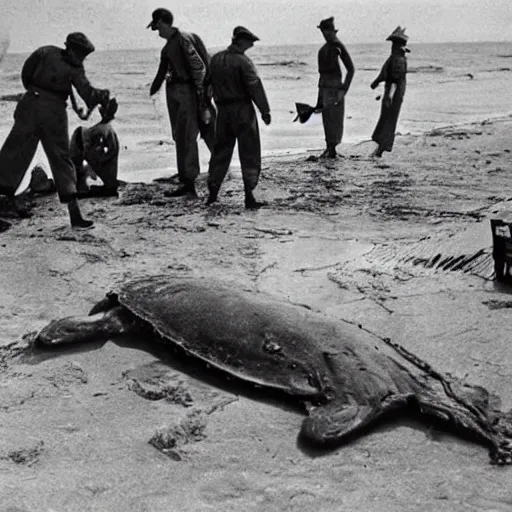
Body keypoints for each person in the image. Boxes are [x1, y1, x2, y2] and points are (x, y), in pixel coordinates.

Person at [0, 33, 111, 227]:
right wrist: (100, 97)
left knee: (16, 154)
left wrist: (37, 93)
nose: (81, 59)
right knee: (44, 157)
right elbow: (88, 94)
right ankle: (74, 215)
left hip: (33, 105)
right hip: (52, 112)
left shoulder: (46, 52)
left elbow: (26, 74)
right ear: (70, 48)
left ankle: (75, 215)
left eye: (83, 56)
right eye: (80, 54)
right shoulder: (70, 65)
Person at [147, 8, 215, 198]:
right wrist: (154, 87)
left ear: (163, 22)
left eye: (157, 26)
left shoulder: (181, 41)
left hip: (186, 93)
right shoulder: (176, 43)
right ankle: (198, 176)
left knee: (186, 137)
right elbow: (163, 72)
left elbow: (199, 68)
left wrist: (202, 98)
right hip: (184, 92)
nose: (156, 31)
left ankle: (190, 183)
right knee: (193, 134)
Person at [206, 26, 271, 209]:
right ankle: (249, 197)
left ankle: (212, 194)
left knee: (220, 152)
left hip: (222, 112)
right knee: (249, 152)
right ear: (241, 41)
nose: (251, 45)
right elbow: (255, 87)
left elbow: (206, 85)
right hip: (242, 110)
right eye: (250, 42)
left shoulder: (216, 59)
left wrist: (205, 106)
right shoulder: (244, 62)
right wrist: (265, 111)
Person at [315, 17, 355, 159]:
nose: (326, 34)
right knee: (327, 119)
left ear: (333, 31)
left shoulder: (338, 46)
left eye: (328, 31)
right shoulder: (323, 50)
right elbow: (321, 75)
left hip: (336, 88)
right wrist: (319, 97)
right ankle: (329, 148)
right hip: (325, 88)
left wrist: (344, 89)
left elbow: (351, 69)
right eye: (324, 32)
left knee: (335, 120)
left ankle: (332, 149)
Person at [370, 26, 409, 158]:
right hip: (393, 92)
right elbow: (386, 74)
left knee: (388, 119)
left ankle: (381, 149)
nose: (392, 46)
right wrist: (376, 82)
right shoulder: (396, 57)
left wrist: (390, 96)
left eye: (394, 43)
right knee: (387, 118)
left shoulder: (398, 59)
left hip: (394, 93)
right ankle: (380, 148)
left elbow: (394, 79)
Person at [70, 98, 120, 197]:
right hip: (81, 142)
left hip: (82, 142)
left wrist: (100, 159)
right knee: (79, 169)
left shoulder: (105, 128)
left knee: (80, 169)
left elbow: (113, 149)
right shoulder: (105, 128)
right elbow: (113, 149)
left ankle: (83, 184)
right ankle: (82, 184)